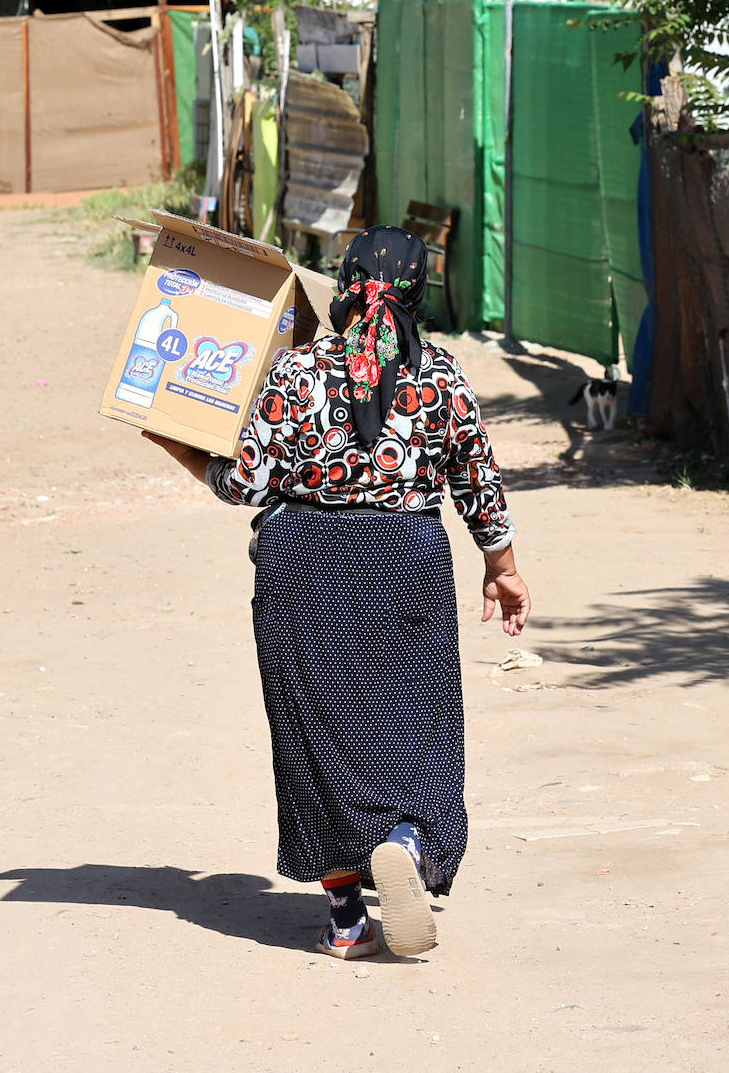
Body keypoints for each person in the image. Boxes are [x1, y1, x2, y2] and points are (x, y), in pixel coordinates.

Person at [145, 225, 530, 959]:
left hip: (303, 563)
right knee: (418, 728)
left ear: (342, 289)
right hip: (405, 556)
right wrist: (502, 568)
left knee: (313, 738)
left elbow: (243, 484)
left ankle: (347, 916)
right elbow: (478, 485)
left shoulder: (292, 374)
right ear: (421, 295)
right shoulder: (441, 377)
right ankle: (409, 841)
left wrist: (179, 445)